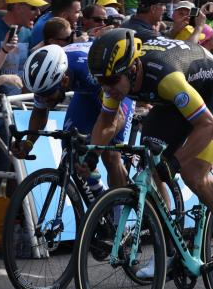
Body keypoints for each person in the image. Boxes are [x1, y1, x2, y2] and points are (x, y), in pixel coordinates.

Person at [87, 28, 213, 277]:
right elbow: (106, 123)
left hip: (212, 93)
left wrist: (175, 162)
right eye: (101, 82)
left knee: (193, 173)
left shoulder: (166, 78)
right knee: (151, 167)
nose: (107, 88)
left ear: (132, 69)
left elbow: (208, 125)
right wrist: (91, 155)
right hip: (171, 101)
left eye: (112, 82)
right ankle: (169, 251)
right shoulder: (114, 80)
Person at [14, 44, 133, 193]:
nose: (43, 100)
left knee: (111, 155)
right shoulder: (47, 82)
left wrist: (93, 154)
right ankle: (99, 205)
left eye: (48, 95)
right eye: (40, 95)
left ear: (64, 80)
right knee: (72, 152)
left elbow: (117, 119)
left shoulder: (89, 72)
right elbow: (39, 112)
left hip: (114, 86)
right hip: (86, 93)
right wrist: (28, 143)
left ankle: (119, 210)